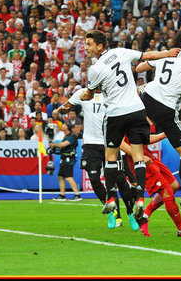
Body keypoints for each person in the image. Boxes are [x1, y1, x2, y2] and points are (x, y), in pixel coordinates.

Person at [80, 30, 179, 219]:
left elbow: (91, 94)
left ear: (99, 46)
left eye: (89, 44)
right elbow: (148, 55)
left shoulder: (95, 69)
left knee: (110, 155)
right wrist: (168, 53)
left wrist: (87, 94)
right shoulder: (120, 52)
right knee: (139, 155)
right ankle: (140, 198)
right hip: (136, 109)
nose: (86, 47)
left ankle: (110, 198)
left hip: (116, 113)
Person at [135, 29, 181, 221]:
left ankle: (139, 200)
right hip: (165, 108)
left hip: (146, 97)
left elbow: (139, 68)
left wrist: (157, 62)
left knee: (134, 137)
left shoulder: (166, 53)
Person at [56, 88, 139, 230]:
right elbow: (65, 108)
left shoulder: (112, 92)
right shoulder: (82, 93)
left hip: (110, 142)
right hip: (90, 144)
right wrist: (62, 109)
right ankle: (112, 211)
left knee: (119, 180)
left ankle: (130, 213)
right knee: (94, 179)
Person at [120, 131, 181, 238]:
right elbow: (120, 143)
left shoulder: (136, 118)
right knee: (166, 192)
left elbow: (144, 138)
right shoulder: (119, 117)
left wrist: (164, 135)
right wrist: (138, 156)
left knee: (173, 185)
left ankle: (144, 216)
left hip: (149, 156)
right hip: (139, 160)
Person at [49, 123, 82, 201]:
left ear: (68, 128)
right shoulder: (66, 136)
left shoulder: (71, 137)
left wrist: (55, 144)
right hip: (64, 159)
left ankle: (77, 194)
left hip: (69, 159)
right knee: (60, 176)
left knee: (69, 177)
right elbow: (62, 147)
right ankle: (62, 195)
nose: (62, 126)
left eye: (64, 125)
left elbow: (64, 144)